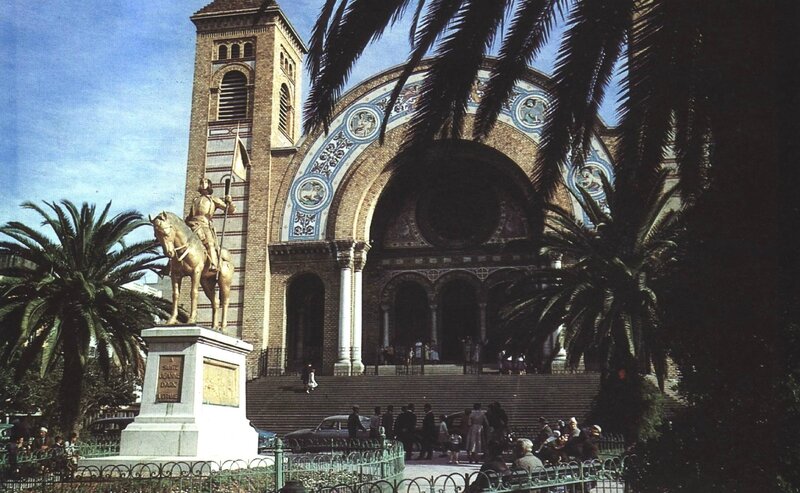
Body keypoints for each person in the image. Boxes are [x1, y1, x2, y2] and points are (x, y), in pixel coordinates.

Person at [184, 177, 235, 272]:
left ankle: (213, 264)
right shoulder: (195, 200)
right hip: (192, 224)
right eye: (202, 182)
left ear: (209, 185)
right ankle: (170, 266)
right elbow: (191, 215)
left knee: (210, 243)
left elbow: (230, 210)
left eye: (206, 182)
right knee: (179, 240)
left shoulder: (214, 199)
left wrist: (230, 201)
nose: (203, 183)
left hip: (204, 225)